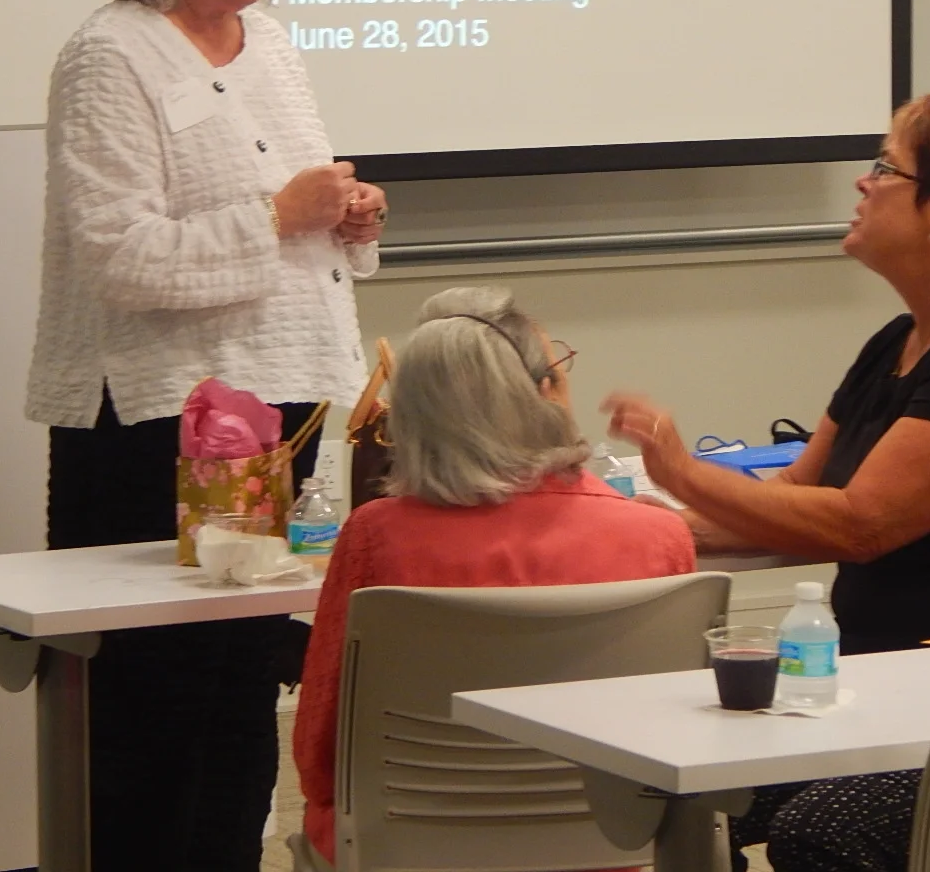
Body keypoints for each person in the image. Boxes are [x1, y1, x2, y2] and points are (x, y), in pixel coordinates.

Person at [603, 85, 930, 872]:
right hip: (891, 696)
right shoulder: (896, 343)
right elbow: (788, 509)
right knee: (680, 794)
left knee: (824, 830)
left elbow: (859, 524)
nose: (862, 183)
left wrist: (680, 467)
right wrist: (625, 522)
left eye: (885, 168)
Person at [25, 0, 387, 870]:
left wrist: (346, 215)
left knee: (240, 694)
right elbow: (121, 259)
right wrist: (280, 214)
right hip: (154, 419)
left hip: (282, 403)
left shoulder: (271, 45)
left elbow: (296, 213)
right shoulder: (109, 54)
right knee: (152, 715)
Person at [293, 286, 696, 867]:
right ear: (540, 395)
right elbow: (681, 735)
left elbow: (318, 750)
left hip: (406, 846)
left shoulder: (375, 537)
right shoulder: (657, 537)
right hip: (609, 843)